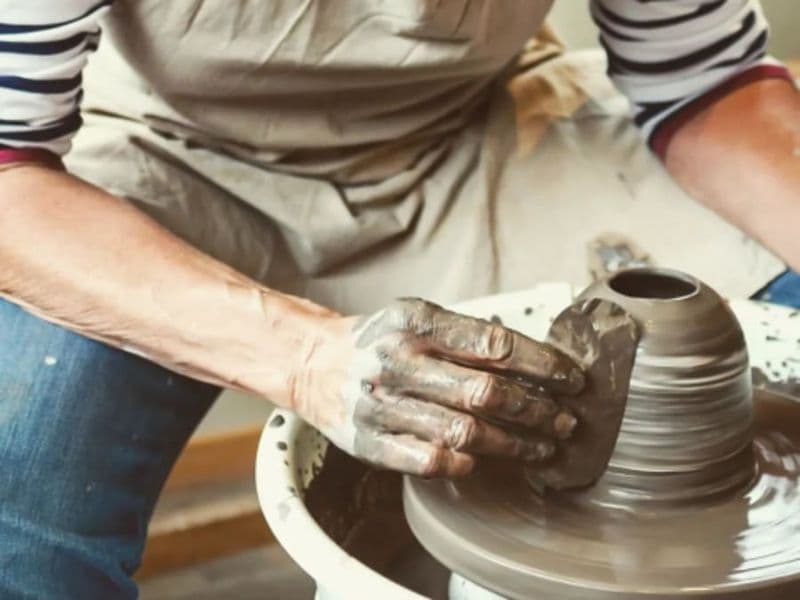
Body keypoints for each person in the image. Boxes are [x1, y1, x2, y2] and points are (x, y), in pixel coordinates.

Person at [1, 1, 798, 597]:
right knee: (21, 525)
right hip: (166, 158)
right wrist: (308, 356)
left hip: (476, 132)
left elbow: (704, 79)